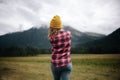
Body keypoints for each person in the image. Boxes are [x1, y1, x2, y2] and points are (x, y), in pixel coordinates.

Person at [48, 15, 72, 80]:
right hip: (66, 63)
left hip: (55, 64)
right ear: (60, 25)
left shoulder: (51, 38)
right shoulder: (68, 34)